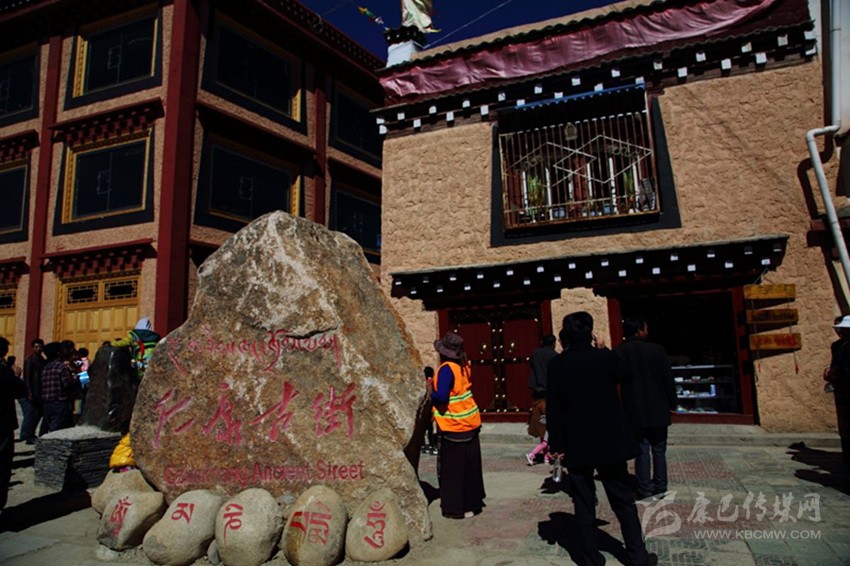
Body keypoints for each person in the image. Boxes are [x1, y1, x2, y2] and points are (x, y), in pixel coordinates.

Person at [547, 312, 656, 566]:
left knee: (584, 503)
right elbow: (626, 374)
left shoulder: (558, 364)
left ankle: (591, 558)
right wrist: (604, 348)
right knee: (622, 500)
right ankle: (637, 555)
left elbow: (554, 409)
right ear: (591, 333)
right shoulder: (604, 357)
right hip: (609, 440)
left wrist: (557, 445)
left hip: (576, 442)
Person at [615, 315, 677, 499]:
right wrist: (673, 403)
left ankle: (644, 487)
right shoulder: (657, 350)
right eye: (646, 328)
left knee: (641, 449)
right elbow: (668, 379)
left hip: (634, 409)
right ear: (639, 330)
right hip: (658, 406)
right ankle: (661, 485)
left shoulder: (620, 352)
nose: (647, 331)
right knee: (659, 448)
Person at [427, 331, 485, 519]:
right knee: (471, 469)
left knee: (454, 471)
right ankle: (473, 504)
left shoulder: (446, 370)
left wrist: (430, 391)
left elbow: (442, 397)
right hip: (470, 422)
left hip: (454, 425)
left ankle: (456, 508)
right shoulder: (464, 365)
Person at [0, 336, 26, 512]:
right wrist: (16, 377)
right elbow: (19, 392)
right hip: (2, 424)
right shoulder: (4, 371)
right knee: (2, 466)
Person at [526, 334, 557, 465]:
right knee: (548, 424)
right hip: (549, 392)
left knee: (541, 424)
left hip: (537, 391)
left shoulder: (535, 353)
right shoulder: (554, 355)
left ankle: (545, 456)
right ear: (554, 343)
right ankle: (541, 454)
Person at [824, 315, 850, 469]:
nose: (840, 332)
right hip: (843, 392)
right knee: (845, 428)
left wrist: (834, 373)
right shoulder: (838, 346)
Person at [40, 341, 80, 433]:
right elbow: (68, 384)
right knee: (58, 430)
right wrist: (75, 378)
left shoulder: (46, 367)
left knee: (50, 427)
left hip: (47, 403)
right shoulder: (62, 367)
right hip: (59, 403)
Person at [111, 317, 161, 381]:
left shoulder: (135, 334)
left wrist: (111, 344)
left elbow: (124, 342)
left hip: (140, 361)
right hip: (151, 360)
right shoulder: (153, 337)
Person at [19, 338, 45, 444]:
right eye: (36, 347)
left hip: (40, 390)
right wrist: (29, 392)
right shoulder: (29, 360)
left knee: (38, 414)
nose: (38, 349)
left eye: (40, 347)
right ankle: (27, 435)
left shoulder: (42, 360)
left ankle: (30, 433)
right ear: (32, 348)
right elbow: (27, 377)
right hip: (32, 391)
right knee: (31, 414)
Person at [420, 366, 439, 456]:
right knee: (430, 428)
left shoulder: (422, 383)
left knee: (422, 428)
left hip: (423, 408)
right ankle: (432, 445)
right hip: (430, 408)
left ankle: (423, 445)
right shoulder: (431, 382)